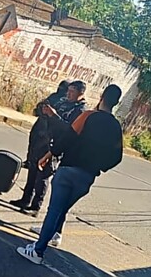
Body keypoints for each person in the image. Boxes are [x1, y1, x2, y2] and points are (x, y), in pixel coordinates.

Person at [16, 84, 124, 265]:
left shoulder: (88, 116)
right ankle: (54, 235)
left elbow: (68, 137)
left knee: (55, 210)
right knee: (63, 208)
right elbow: (117, 157)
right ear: (117, 103)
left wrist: (49, 154)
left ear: (102, 96)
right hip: (87, 178)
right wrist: (99, 166)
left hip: (69, 170)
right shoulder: (115, 127)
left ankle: (38, 250)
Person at [10, 80, 87, 217]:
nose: (68, 93)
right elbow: (44, 112)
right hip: (42, 139)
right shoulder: (62, 101)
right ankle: (25, 199)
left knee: (43, 176)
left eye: (72, 91)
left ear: (80, 93)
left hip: (56, 146)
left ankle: (35, 206)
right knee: (33, 170)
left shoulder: (79, 110)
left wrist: (53, 115)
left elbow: (70, 130)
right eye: (68, 90)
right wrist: (45, 110)